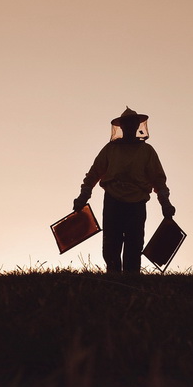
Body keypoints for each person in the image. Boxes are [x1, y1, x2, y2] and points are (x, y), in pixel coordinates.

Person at [73, 107, 176, 273]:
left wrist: (165, 203)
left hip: (137, 203)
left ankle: (131, 278)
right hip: (113, 200)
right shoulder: (110, 149)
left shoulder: (147, 151)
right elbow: (94, 173)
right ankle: (113, 277)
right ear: (121, 127)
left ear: (137, 126)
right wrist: (83, 197)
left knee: (134, 243)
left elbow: (158, 180)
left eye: (133, 124)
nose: (130, 127)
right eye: (127, 124)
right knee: (111, 243)